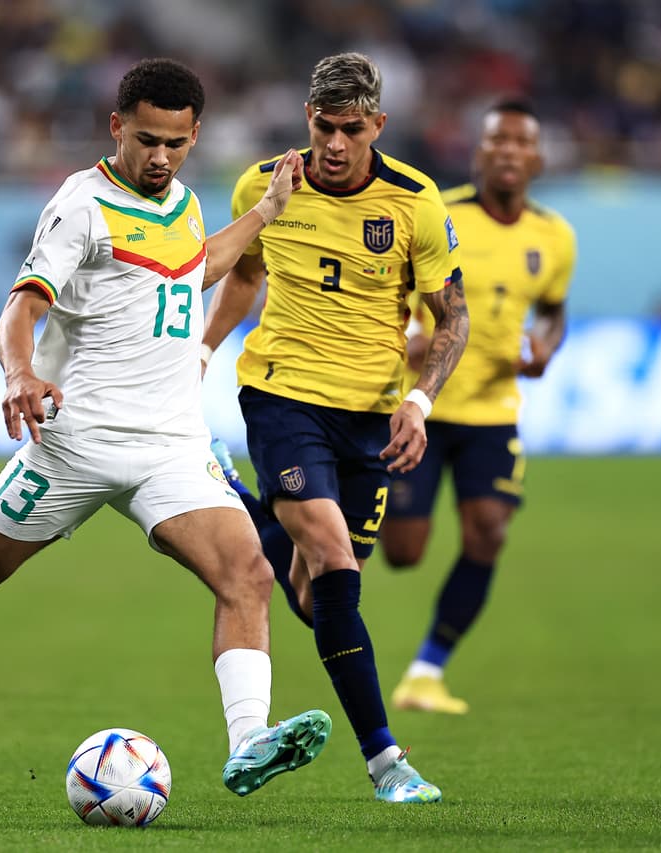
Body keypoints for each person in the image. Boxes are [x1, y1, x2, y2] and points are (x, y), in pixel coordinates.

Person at [0, 58, 332, 798]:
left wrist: (265, 212)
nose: (159, 156)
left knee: (248, 574)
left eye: (174, 142)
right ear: (115, 127)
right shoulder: (81, 205)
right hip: (74, 444)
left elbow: (191, 269)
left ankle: (249, 740)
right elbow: (23, 307)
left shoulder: (187, 205)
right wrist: (18, 374)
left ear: (195, 135)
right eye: (145, 140)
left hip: (169, 441)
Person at [201, 52, 469, 804]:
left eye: (352, 129)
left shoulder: (414, 202)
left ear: (378, 124)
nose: (336, 144)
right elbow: (247, 272)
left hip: (372, 418)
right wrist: (202, 348)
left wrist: (418, 402)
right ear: (307, 120)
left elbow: (452, 315)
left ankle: (238, 500)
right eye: (324, 126)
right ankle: (388, 761)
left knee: (315, 595)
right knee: (328, 552)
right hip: (282, 395)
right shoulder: (265, 186)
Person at [380, 99, 577, 715]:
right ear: (480, 153)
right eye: (499, 141)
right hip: (423, 406)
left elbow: (552, 308)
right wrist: (404, 334)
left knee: (489, 529)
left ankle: (427, 671)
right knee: (403, 552)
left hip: (494, 410)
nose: (511, 151)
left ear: (538, 159)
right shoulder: (441, 213)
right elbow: (394, 281)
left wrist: (545, 347)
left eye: (523, 141)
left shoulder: (554, 236)